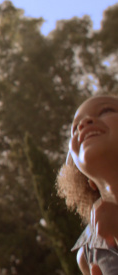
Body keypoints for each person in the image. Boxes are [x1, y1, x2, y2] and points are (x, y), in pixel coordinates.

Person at [57, 95, 118, 275]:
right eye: (75, 128)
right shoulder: (89, 254)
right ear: (87, 180)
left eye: (106, 110)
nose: (84, 123)